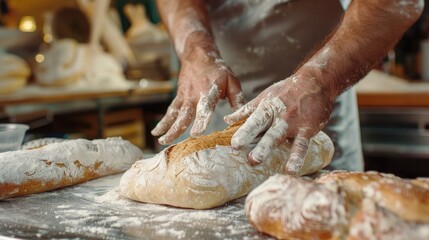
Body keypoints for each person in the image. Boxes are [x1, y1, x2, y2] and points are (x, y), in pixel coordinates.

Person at [151, 0, 424, 174]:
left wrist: (319, 81)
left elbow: (395, 3)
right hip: (212, 114)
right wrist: (194, 48)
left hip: (313, 123)